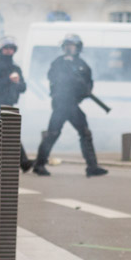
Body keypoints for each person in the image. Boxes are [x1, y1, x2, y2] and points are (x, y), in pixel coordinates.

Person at [32, 34, 108, 178]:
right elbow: (53, 78)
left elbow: (88, 83)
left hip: (73, 103)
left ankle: (92, 166)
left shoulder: (82, 65)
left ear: (78, 48)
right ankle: (39, 164)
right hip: (61, 103)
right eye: (67, 46)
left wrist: (84, 90)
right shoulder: (58, 63)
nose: (69, 48)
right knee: (53, 133)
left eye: (72, 46)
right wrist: (70, 78)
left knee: (85, 133)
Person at [0, 35, 33, 171]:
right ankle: (23, 162)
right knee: (8, 131)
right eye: (6, 48)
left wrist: (17, 82)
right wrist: (8, 80)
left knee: (4, 132)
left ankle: (6, 162)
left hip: (10, 104)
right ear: (0, 49)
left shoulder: (15, 68)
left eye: (11, 48)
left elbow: (23, 87)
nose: (9, 51)